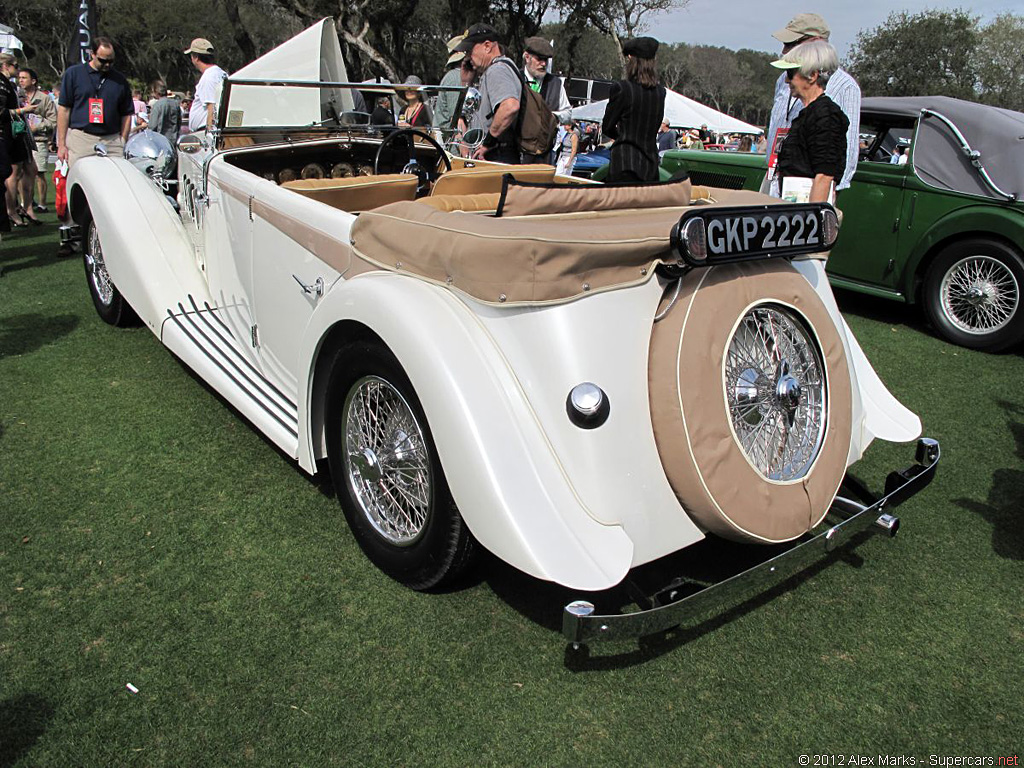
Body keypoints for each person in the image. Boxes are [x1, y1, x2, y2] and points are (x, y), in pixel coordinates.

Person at [764, 13, 860, 197]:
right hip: (777, 180)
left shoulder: (845, 87)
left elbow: (838, 160)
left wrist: (821, 203)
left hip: (810, 193)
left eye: (791, 44)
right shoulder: (783, 81)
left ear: (815, 42)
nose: (784, 50)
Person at [770, 39, 849, 204]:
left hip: (807, 214)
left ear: (812, 76)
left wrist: (811, 220)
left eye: (791, 73)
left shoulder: (826, 116)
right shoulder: (807, 114)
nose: (786, 80)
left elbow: (824, 175)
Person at [56, 36, 134, 168]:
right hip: (82, 139)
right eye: (103, 60)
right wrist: (62, 144)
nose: (107, 64)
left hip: (112, 140)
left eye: (111, 61)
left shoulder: (120, 80)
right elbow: (64, 110)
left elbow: (126, 113)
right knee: (81, 182)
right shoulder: (74, 74)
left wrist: (123, 140)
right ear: (92, 54)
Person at [453, 24, 521, 165]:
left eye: (469, 50)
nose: (467, 57)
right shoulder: (493, 71)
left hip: (499, 156)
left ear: (487, 46)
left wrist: (487, 144)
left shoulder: (497, 70)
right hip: (497, 156)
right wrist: (466, 83)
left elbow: (510, 107)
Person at [602, 36, 666, 182]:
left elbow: (607, 127)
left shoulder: (622, 89)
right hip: (650, 165)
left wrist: (624, 137)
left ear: (631, 59)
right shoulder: (660, 92)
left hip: (625, 163)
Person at [19, 68, 56, 213]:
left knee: (39, 172)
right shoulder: (18, 97)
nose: (21, 80)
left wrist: (37, 127)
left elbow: (53, 120)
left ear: (33, 81)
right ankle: (26, 203)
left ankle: (42, 203)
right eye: (20, 77)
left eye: (24, 77)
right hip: (21, 140)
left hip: (38, 140)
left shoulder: (44, 98)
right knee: (21, 173)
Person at [184, 38, 226, 133]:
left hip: (205, 131)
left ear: (196, 57)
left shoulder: (209, 77)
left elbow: (212, 107)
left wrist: (209, 135)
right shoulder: (221, 73)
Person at [434, 35, 466, 138]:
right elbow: (457, 121)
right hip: (453, 144)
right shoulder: (456, 78)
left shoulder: (454, 77)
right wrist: (465, 152)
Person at [147, 80, 181, 146]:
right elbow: (179, 122)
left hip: (160, 140)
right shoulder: (176, 104)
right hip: (173, 139)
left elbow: (152, 125)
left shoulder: (157, 105)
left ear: (156, 92)